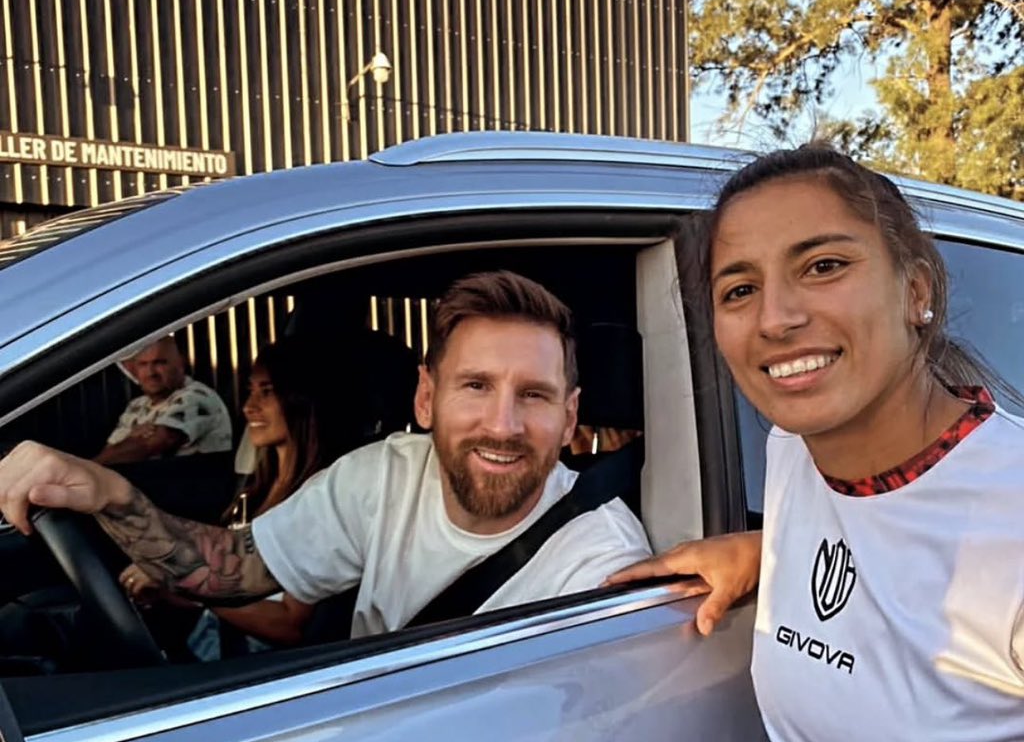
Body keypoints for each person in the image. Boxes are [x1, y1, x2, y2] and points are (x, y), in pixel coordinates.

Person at [611, 145, 1024, 742]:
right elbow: (880, 539)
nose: (776, 317)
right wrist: (762, 552)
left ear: (918, 291)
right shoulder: (796, 454)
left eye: (823, 265)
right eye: (740, 289)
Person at [0, 271, 651, 642]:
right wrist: (109, 494)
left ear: (569, 418)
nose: (502, 425)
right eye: (474, 386)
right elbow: (238, 569)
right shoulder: (389, 473)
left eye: (533, 395)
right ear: (426, 398)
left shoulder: (602, 564)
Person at [120, 339, 333, 649]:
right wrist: (166, 589)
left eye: (267, 392)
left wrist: (185, 579)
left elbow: (290, 625)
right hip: (213, 647)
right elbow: (228, 596)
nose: (249, 406)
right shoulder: (254, 491)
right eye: (251, 390)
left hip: (257, 674)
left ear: (303, 399)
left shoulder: (320, 502)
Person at [95, 335, 232, 464]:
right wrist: (131, 440)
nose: (151, 373)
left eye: (160, 363)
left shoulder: (196, 396)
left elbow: (150, 445)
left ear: (180, 363)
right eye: (143, 364)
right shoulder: (137, 405)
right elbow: (111, 451)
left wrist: (94, 465)